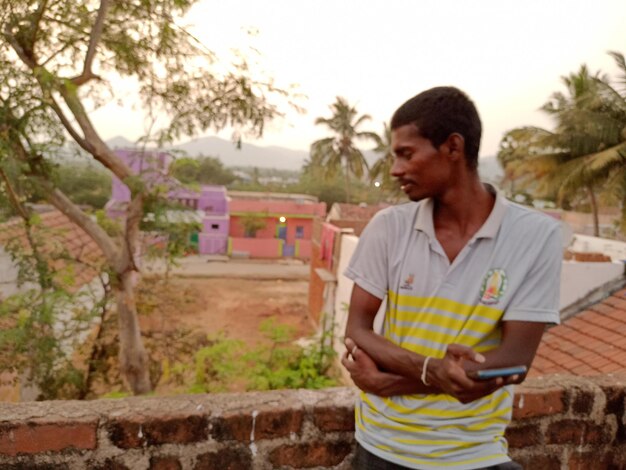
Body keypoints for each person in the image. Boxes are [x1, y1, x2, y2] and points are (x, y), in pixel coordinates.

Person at [341, 86, 561, 470]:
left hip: (474, 453)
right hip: (381, 446)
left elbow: (515, 361)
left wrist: (399, 380)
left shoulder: (535, 236)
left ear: (453, 147)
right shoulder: (388, 227)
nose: (395, 170)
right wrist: (433, 370)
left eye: (406, 154)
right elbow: (358, 329)